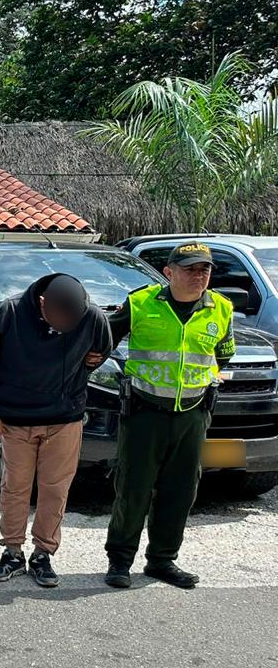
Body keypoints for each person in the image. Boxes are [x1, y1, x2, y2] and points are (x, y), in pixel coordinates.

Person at [104, 242, 234, 590]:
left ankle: (162, 560)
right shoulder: (141, 302)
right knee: (134, 488)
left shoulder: (221, 308)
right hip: (145, 412)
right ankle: (120, 559)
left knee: (181, 490)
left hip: (192, 415)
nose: (198, 275)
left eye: (204, 270)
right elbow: (102, 339)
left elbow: (224, 353)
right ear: (169, 272)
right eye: (190, 269)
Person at [0, 274, 113, 588]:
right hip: (15, 416)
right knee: (15, 487)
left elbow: (103, 346)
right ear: (42, 303)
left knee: (55, 489)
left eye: (71, 318)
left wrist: (95, 359)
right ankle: (12, 551)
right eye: (59, 316)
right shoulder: (10, 314)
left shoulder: (90, 315)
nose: (65, 324)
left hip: (64, 417)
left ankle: (43, 554)